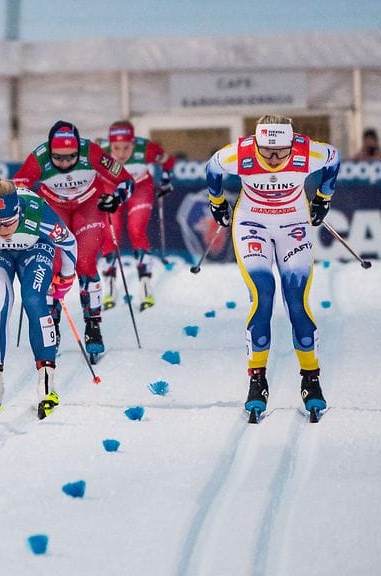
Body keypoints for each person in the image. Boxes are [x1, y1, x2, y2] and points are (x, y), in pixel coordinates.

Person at [205, 114, 339, 421]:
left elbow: (334, 158)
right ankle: (257, 380)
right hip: (252, 223)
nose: (275, 159)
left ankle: (310, 378)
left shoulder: (307, 151)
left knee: (296, 301)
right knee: (263, 294)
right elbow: (213, 165)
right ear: (257, 144)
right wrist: (217, 201)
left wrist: (324, 197)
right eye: (267, 152)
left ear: (293, 144)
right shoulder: (239, 152)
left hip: (293, 223)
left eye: (282, 151)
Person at [0, 177, 78, 420]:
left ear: (18, 212)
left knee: (34, 299)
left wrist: (66, 275)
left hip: (36, 248)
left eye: (9, 223)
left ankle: (46, 385)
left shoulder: (38, 214)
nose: (2, 230)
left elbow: (70, 243)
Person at [13, 120, 133, 361]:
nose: (65, 163)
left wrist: (115, 200)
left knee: (85, 262)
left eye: (71, 158)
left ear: (79, 150)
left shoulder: (91, 152)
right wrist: (24, 211)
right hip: (53, 206)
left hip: (89, 205)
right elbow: (17, 188)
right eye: (58, 158)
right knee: (53, 265)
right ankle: (52, 324)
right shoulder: (39, 158)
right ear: (50, 152)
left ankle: (93, 326)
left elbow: (126, 181)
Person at [99, 120, 175, 311]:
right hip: (111, 187)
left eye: (127, 147)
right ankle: (109, 284)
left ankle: (145, 285)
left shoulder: (146, 149)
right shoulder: (100, 151)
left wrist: (166, 181)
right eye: (116, 148)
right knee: (111, 232)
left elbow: (168, 161)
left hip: (139, 187)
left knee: (136, 229)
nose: (121, 153)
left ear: (134, 143)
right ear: (110, 145)